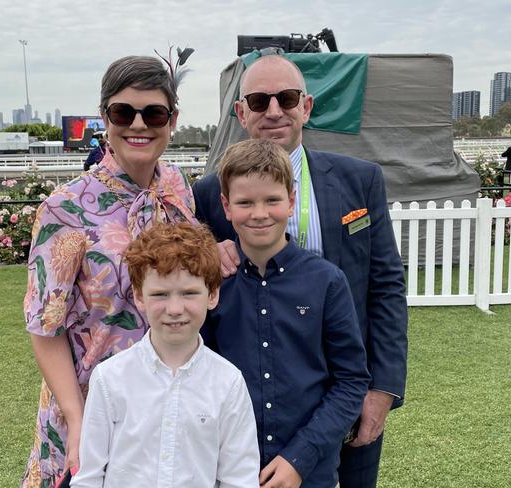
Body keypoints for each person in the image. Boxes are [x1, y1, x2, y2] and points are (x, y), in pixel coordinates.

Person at [193, 54, 408, 488]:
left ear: (306, 106)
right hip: (259, 401)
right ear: (240, 112)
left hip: (349, 386)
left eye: (287, 98)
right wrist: (206, 250)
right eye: (258, 100)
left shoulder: (360, 180)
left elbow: (386, 287)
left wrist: (381, 389)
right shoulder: (209, 194)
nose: (274, 111)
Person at [22, 55, 197, 487]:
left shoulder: (179, 187)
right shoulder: (64, 208)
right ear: (105, 117)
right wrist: (79, 420)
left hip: (169, 403)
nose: (139, 125)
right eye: (124, 112)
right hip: (89, 406)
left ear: (172, 120)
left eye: (154, 113)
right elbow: (45, 328)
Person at [202, 139, 370, 487]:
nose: (259, 213)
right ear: (226, 206)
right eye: (245, 202)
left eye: (272, 200)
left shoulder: (326, 282)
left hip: (310, 474)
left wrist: (300, 458)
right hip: (230, 471)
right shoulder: (213, 287)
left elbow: (351, 381)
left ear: (291, 201)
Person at [72, 223, 260, 488]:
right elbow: (89, 477)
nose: (175, 309)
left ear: (213, 294)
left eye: (189, 293)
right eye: (160, 294)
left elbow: (238, 479)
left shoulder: (228, 382)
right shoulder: (109, 378)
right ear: (139, 296)